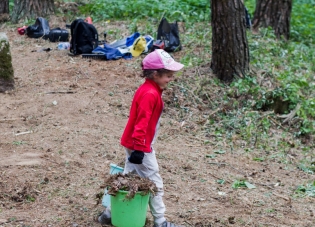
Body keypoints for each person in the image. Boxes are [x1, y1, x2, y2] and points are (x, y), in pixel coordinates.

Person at [98, 49, 184, 227]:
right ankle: (160, 221)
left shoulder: (150, 89)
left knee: (127, 177)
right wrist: (139, 149)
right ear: (155, 74)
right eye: (168, 75)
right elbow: (141, 123)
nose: (171, 79)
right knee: (154, 181)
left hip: (137, 144)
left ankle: (108, 214)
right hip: (140, 145)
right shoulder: (149, 94)